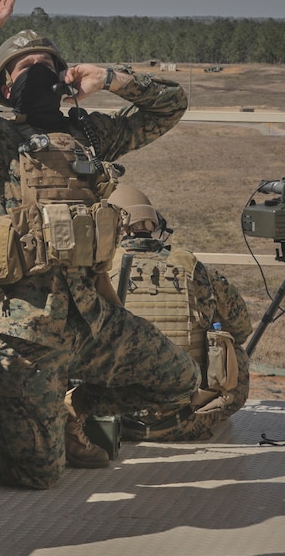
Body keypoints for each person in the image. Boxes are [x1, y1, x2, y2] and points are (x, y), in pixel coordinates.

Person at [0, 0, 201, 489]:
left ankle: (70, 408)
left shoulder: (92, 136)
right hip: (26, 334)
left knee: (180, 380)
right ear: (6, 88)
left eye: (46, 64)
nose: (37, 71)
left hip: (91, 321)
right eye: (23, 67)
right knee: (36, 472)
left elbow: (171, 106)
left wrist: (109, 79)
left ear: (65, 77)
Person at [108, 185, 253, 440]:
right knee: (233, 350)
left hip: (112, 422)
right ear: (153, 222)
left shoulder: (99, 270)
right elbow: (240, 329)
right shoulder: (194, 268)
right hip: (186, 422)